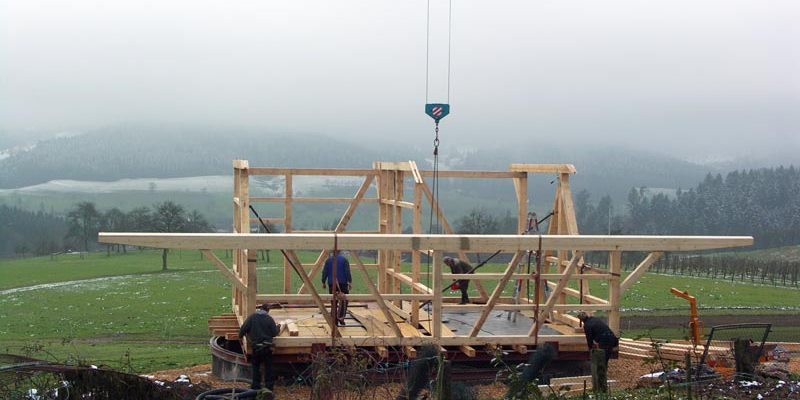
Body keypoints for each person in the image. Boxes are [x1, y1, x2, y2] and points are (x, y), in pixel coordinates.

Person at [239, 303, 280, 392]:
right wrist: (278, 328)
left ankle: (255, 387)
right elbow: (274, 333)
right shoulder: (269, 319)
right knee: (269, 367)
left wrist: (241, 336)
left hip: (256, 348)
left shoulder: (252, 317)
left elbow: (242, 330)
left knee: (256, 367)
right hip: (267, 348)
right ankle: (269, 387)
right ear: (267, 310)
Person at [321, 250, 352, 325]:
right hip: (343, 283)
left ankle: (334, 321)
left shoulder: (328, 260)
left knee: (334, 302)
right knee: (344, 301)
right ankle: (341, 318)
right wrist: (350, 282)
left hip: (332, 283)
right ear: (339, 252)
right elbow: (347, 271)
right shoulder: (344, 260)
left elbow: (325, 271)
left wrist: (323, 281)